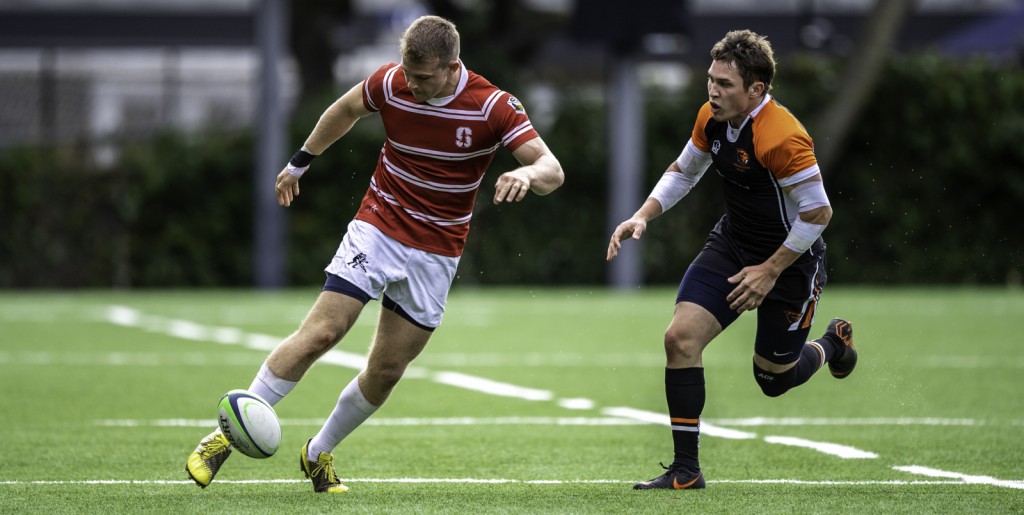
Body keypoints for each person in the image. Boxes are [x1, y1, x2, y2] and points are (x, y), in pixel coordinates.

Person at [185, 15, 563, 493]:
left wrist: (527, 175)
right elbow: (345, 109)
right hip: (378, 227)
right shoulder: (392, 81)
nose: (410, 84)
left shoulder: (493, 106)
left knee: (386, 372)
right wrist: (301, 161)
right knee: (322, 332)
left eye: (423, 77)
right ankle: (220, 438)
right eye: (407, 72)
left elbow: (552, 168)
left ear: (452, 67)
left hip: (437, 251)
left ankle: (318, 453)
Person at [607, 29, 856, 490]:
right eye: (711, 80)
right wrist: (642, 215)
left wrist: (771, 270)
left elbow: (819, 212)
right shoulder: (712, 117)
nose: (712, 91)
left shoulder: (782, 137)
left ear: (757, 90)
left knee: (773, 378)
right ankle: (687, 471)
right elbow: (684, 170)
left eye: (724, 84)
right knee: (680, 338)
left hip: (791, 263)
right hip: (733, 244)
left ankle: (832, 346)